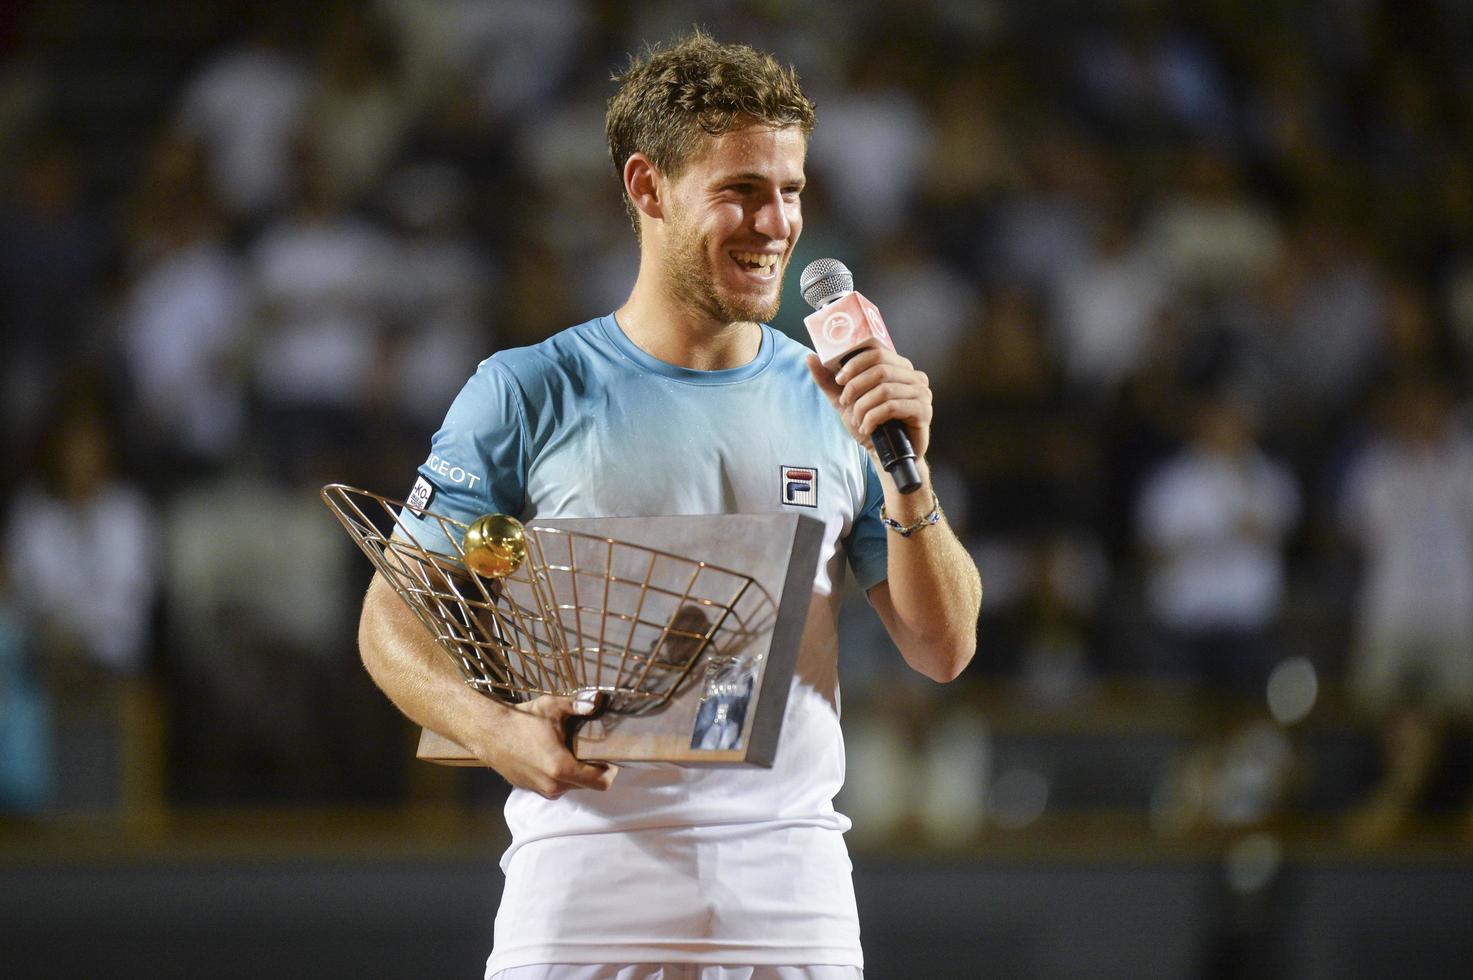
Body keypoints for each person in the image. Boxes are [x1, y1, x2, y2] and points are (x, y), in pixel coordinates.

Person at [356, 32, 981, 980]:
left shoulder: (840, 400)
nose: (775, 223)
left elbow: (943, 649)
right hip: (582, 887)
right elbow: (389, 620)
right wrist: (492, 732)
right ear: (646, 188)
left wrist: (908, 475)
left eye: (792, 190)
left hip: (794, 900)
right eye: (740, 190)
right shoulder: (527, 391)